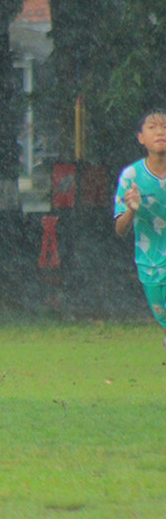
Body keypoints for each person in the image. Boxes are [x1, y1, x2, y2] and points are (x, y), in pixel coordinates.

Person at [115, 108, 166, 347]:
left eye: (164, 127)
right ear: (141, 138)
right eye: (152, 127)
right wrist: (132, 209)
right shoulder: (131, 176)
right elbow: (120, 229)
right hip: (151, 263)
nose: (160, 132)